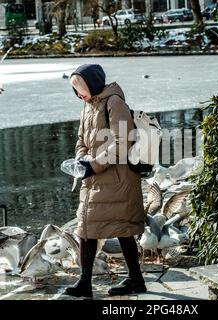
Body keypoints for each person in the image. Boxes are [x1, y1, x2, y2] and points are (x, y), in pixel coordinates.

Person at [64, 64, 147, 298]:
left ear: (93, 84)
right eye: (75, 90)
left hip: (118, 178)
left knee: (121, 228)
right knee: (86, 228)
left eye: (81, 88)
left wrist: (93, 164)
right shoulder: (87, 107)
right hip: (93, 178)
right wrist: (81, 160)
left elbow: (123, 141)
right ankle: (87, 282)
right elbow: (82, 140)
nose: (79, 94)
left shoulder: (114, 103)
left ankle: (132, 279)